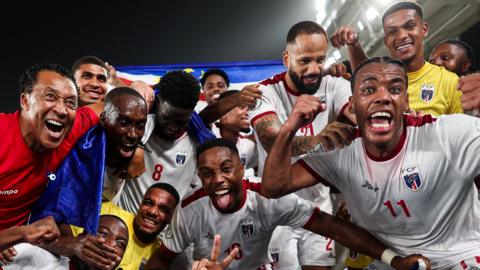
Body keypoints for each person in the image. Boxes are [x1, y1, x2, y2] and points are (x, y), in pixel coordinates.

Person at [261, 57, 480, 269]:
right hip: (395, 263)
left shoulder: (449, 133)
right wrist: (289, 129)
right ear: (353, 104)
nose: (383, 97)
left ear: (406, 101)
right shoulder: (340, 149)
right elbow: (273, 187)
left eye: (395, 89)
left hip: (462, 258)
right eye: (368, 90)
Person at [144, 139, 430, 270]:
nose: (217, 179)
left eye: (226, 169)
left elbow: (331, 227)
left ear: (242, 170)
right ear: (199, 177)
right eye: (207, 173)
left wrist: (394, 259)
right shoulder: (190, 210)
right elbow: (162, 259)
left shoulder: (268, 198)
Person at [248, 20, 355, 269]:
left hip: (319, 203)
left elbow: (358, 114)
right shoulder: (265, 92)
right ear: (287, 59)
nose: (314, 69)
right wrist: (315, 142)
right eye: (305, 60)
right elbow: (271, 139)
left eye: (320, 59)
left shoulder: (334, 84)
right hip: (277, 207)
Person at [0, 63, 102, 231]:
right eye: (50, 97)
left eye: (71, 103)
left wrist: (139, 147)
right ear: (25, 101)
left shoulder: (69, 129)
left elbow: (109, 105)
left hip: (20, 247)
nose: (62, 110)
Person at [331, 1, 463, 117]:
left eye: (410, 26)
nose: (401, 36)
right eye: (392, 32)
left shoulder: (450, 82)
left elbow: (460, 136)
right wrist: (353, 44)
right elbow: (365, 73)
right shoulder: (378, 81)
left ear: (424, 29)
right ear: (386, 40)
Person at [212, 90, 257, 176]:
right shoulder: (206, 132)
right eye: (242, 107)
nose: (248, 112)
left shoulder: (248, 146)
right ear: (223, 112)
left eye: (249, 108)